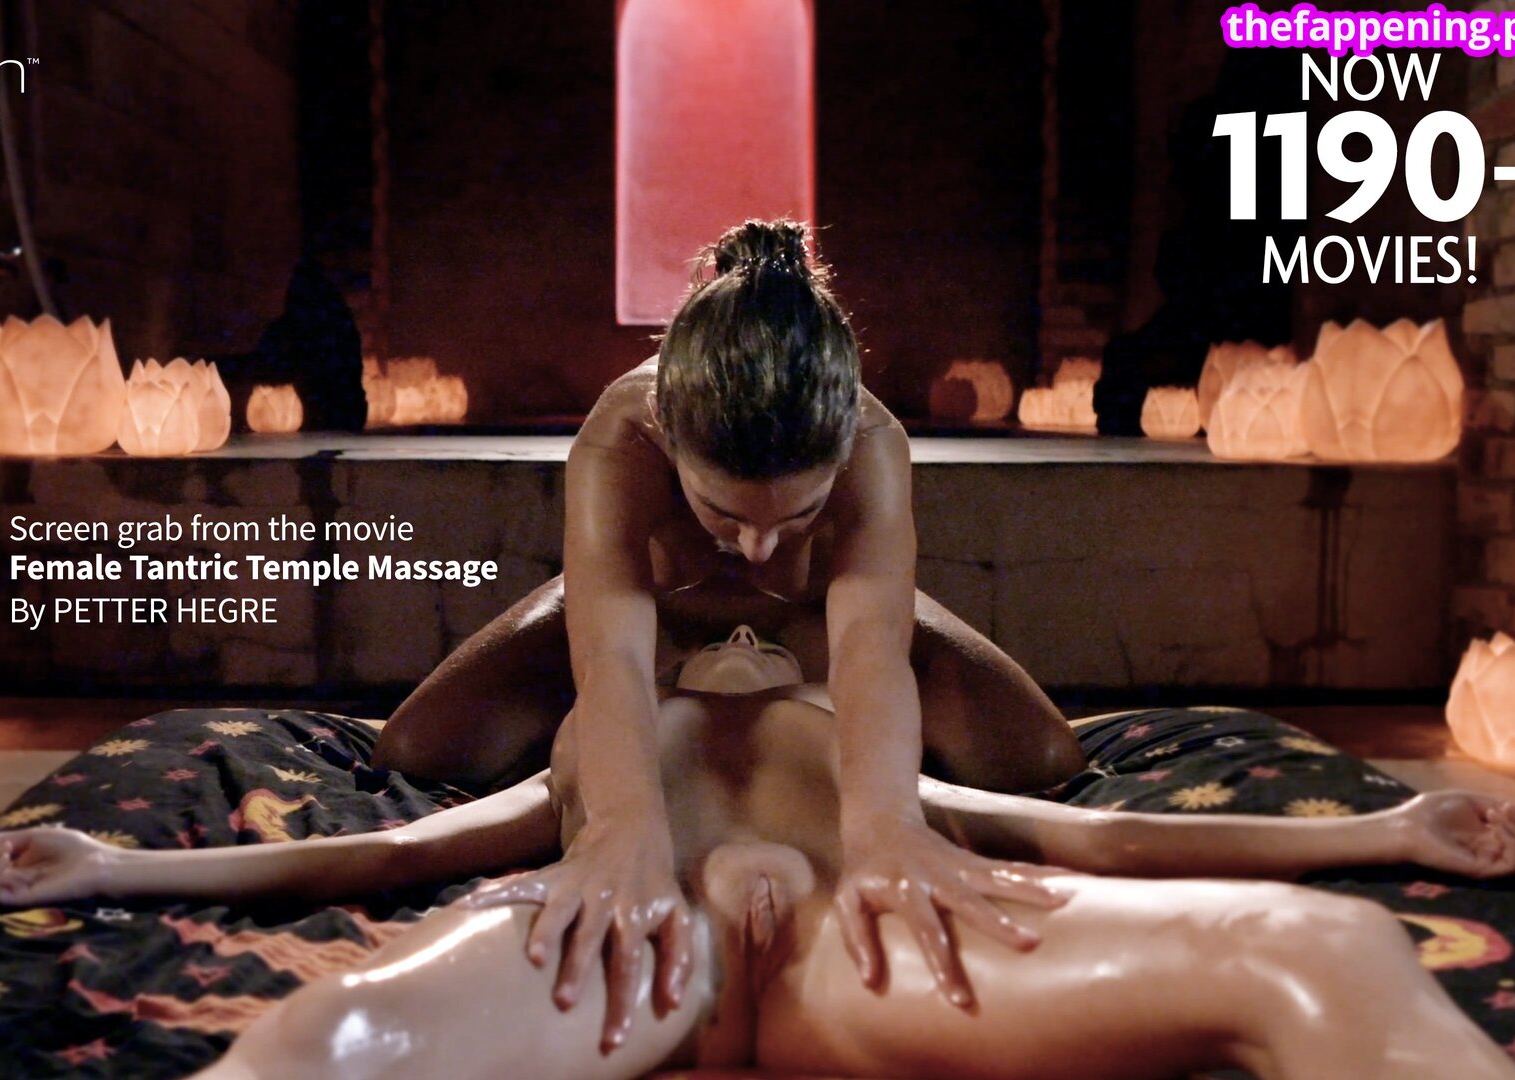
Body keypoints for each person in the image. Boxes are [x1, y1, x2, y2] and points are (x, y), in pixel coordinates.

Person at [0, 626, 1515, 1080]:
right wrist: (114, 868)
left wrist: (1389, 831)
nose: (735, 631)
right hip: (629, 949)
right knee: (330, 1039)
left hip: (883, 947)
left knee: (1321, 948)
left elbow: (1088, 825)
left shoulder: (865, 741)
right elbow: (380, 853)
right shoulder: (600, 739)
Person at [362, 219, 1089, 1044]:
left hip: (816, 617)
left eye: (800, 515)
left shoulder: (872, 440)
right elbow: (612, 656)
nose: (757, 548)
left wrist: (885, 826)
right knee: (419, 749)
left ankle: (779, 676)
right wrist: (623, 829)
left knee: (1040, 756)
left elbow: (868, 648)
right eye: (722, 512)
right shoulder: (621, 432)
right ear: (666, 430)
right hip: (660, 611)